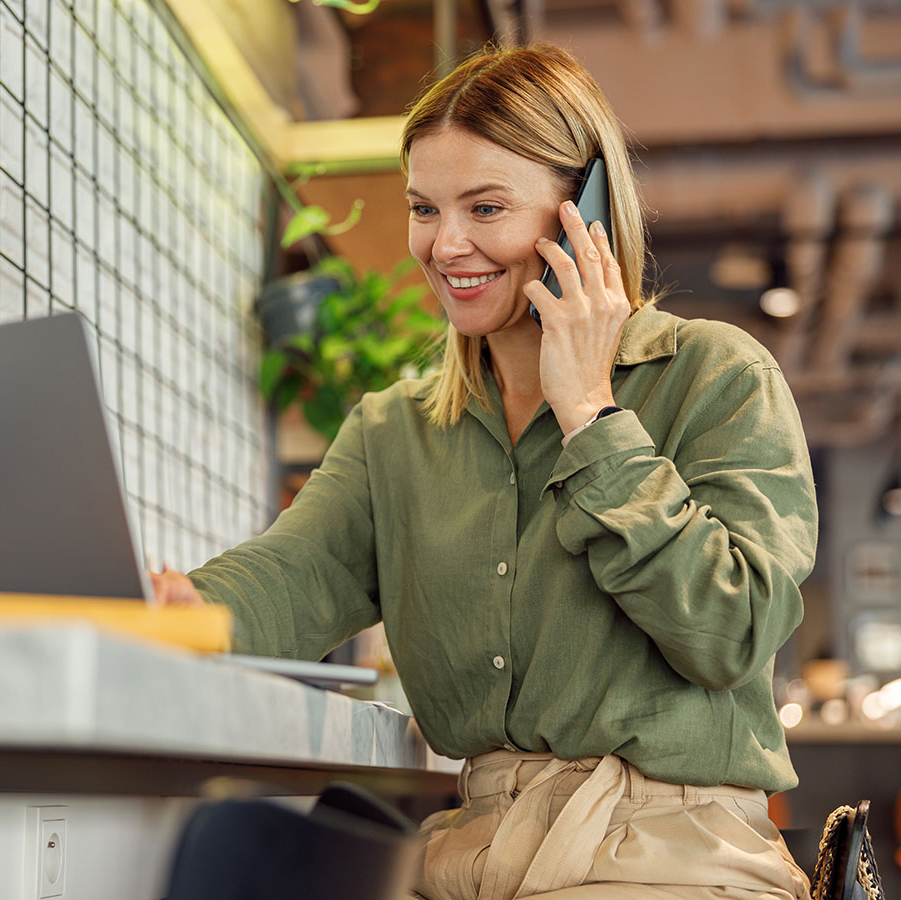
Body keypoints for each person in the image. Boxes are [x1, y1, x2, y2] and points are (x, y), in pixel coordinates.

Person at [152, 43, 817, 899]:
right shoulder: (395, 431)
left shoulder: (716, 377)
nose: (446, 244)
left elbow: (731, 632)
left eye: (487, 207)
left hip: (669, 850)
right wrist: (191, 612)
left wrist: (590, 416)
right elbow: (293, 575)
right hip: (474, 851)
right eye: (424, 208)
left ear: (589, 213)